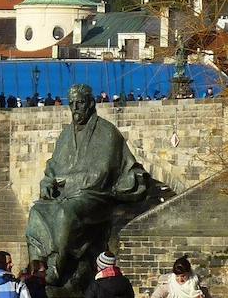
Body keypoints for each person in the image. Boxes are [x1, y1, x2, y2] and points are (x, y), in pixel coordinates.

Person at [26, 84, 150, 287]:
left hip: (95, 196)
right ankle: (37, 268)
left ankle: (57, 268)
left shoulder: (106, 132)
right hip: (65, 195)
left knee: (66, 213)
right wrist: (48, 182)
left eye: (80, 103)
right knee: (36, 212)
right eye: (72, 104)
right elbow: (53, 167)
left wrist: (66, 181)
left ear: (91, 104)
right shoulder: (66, 135)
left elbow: (101, 173)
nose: (76, 108)